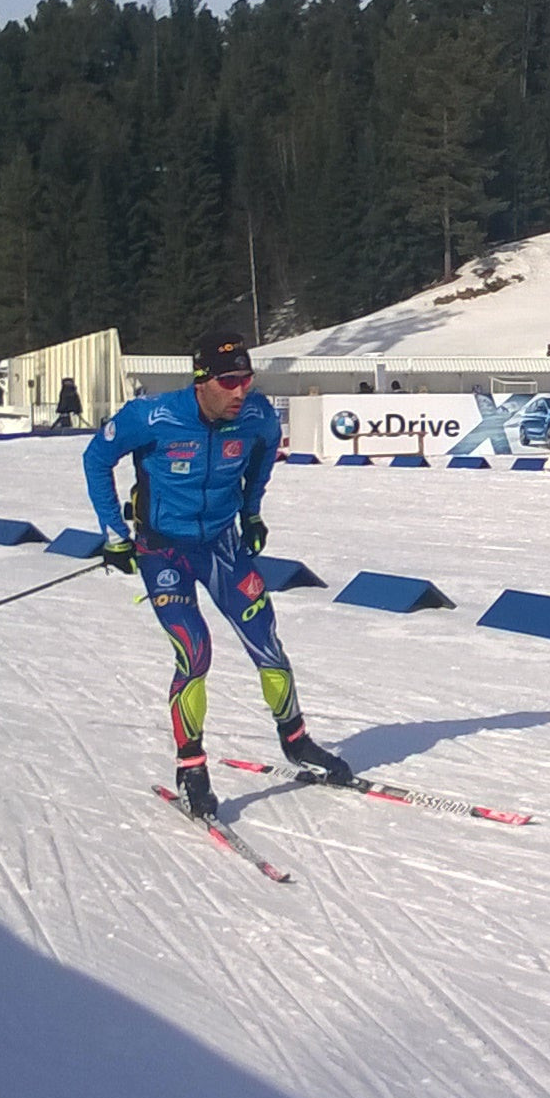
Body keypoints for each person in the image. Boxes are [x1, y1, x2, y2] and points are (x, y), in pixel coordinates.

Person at [83, 331, 348, 825]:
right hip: (163, 550)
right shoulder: (153, 416)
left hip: (222, 544)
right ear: (202, 381)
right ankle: (191, 767)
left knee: (265, 638)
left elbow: (265, 452)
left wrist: (251, 512)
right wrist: (114, 534)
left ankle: (296, 740)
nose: (241, 391)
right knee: (195, 650)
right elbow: (96, 459)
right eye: (229, 381)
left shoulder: (257, 415)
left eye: (246, 379)